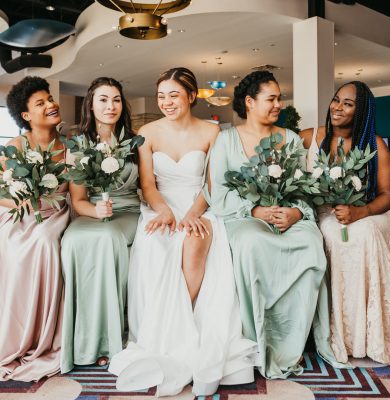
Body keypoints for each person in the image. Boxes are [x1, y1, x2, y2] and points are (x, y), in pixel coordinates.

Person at [109, 67, 257, 397]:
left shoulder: (212, 132)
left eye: (174, 95)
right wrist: (163, 211)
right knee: (157, 241)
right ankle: (166, 330)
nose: (166, 102)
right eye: (161, 96)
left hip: (200, 204)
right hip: (161, 204)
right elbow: (148, 184)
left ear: (191, 96)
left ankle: (176, 328)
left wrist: (192, 213)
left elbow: (213, 182)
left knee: (197, 238)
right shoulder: (147, 132)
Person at [208, 70, 347, 379]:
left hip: (288, 215)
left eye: (279, 98)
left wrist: (296, 213)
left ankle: (294, 343)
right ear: (249, 102)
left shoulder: (292, 139)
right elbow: (218, 192)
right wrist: (255, 210)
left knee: (311, 244)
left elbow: (302, 186)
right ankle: (260, 341)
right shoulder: (226, 139)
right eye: (271, 98)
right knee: (252, 244)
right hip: (245, 218)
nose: (279, 104)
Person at [300, 81, 390, 366]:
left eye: (348, 103)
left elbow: (387, 196)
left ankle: (370, 335)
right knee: (332, 233)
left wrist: (361, 211)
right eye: (335, 100)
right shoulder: (309, 138)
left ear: (361, 111)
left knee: (363, 233)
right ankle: (339, 336)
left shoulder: (375, 145)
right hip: (325, 212)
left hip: (367, 213)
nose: (337, 107)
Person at [60, 77, 141, 373]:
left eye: (116, 99)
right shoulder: (78, 145)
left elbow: (147, 186)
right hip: (91, 213)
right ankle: (84, 340)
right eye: (103, 100)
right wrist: (96, 210)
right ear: (90, 105)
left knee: (108, 239)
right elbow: (77, 200)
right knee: (74, 241)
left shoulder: (136, 140)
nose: (111, 106)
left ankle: (111, 339)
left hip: (129, 212)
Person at [0, 76, 69, 381]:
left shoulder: (68, 147)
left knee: (43, 242)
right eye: (40, 103)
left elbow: (72, 191)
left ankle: (44, 334)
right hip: (20, 212)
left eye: (50, 98)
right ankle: (15, 333)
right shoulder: (16, 145)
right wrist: (18, 206)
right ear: (26, 116)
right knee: (11, 244)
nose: (51, 105)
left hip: (55, 213)